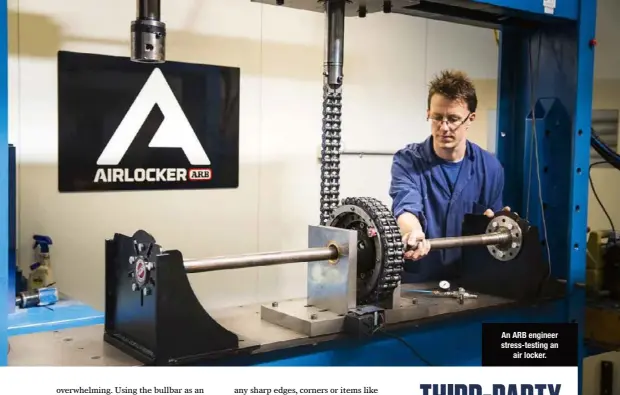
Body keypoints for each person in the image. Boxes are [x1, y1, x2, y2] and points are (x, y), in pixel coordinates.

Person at [389, 69, 509, 283]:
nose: (444, 127)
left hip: (472, 281)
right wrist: (413, 232)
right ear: (428, 113)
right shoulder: (408, 161)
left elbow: (494, 225)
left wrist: (501, 222)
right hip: (419, 282)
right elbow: (406, 205)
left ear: (470, 118)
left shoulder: (490, 168)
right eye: (437, 118)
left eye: (453, 119)